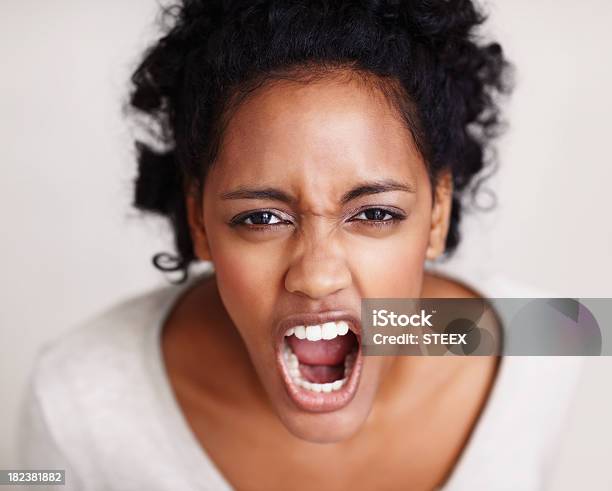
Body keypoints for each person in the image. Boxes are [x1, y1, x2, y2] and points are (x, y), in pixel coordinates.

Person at [18, 1, 584, 489]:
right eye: (262, 217)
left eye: (375, 213)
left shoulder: (553, 338)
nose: (315, 275)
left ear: (437, 212)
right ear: (198, 220)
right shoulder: (78, 399)